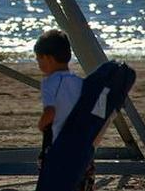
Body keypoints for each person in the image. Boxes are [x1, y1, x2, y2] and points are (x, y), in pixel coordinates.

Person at [34, 28, 94, 191]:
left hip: (59, 145)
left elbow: (50, 112)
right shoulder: (79, 81)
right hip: (81, 145)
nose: (38, 63)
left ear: (48, 58)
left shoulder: (49, 82)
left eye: (38, 59)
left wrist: (40, 125)